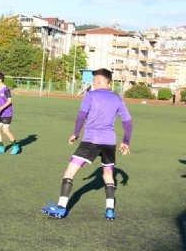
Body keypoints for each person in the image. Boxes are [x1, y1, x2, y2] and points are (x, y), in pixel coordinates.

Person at [41, 68, 133, 220]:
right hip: (110, 143)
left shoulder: (90, 95)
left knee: (70, 172)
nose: (93, 83)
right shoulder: (117, 98)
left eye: (94, 80)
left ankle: (61, 207)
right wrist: (126, 142)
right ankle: (110, 210)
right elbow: (128, 122)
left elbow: (82, 115)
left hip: (91, 141)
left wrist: (75, 133)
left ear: (98, 81)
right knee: (109, 174)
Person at [0, 73, 20, 155]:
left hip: (7, 113)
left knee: (5, 130)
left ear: (0, 80)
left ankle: (15, 146)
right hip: (0, 113)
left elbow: (9, 101)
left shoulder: (6, 89)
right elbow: (0, 102)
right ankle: (0, 147)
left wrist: (0, 108)